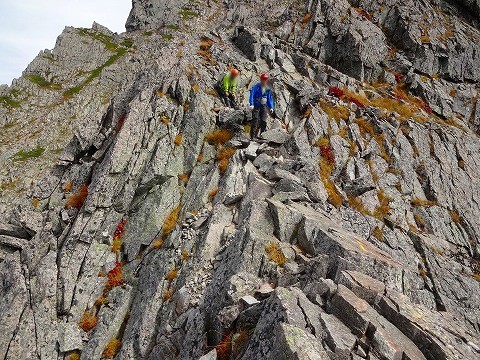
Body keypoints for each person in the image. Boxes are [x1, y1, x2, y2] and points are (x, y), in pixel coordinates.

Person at [249, 73, 274, 139]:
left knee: (263, 121)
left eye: (265, 80)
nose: (264, 81)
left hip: (263, 106)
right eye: (263, 79)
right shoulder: (256, 87)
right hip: (256, 106)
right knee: (255, 120)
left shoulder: (267, 89)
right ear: (261, 79)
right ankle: (252, 136)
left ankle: (261, 135)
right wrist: (251, 104)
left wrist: (271, 107)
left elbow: (269, 99)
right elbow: (252, 95)